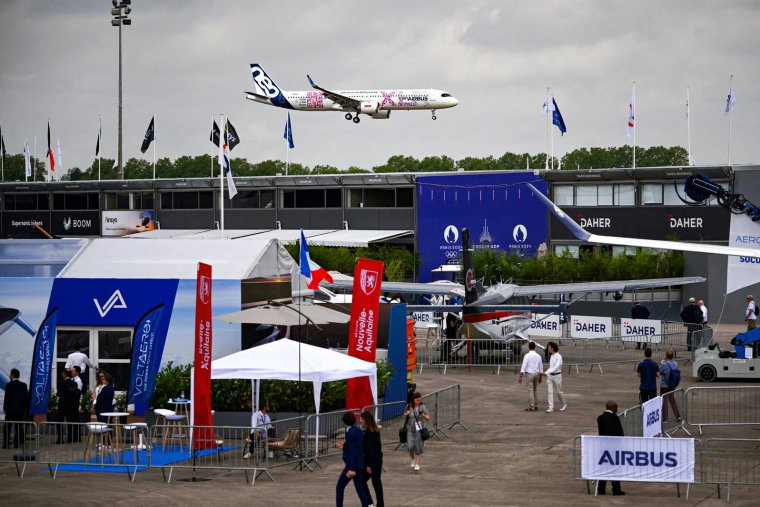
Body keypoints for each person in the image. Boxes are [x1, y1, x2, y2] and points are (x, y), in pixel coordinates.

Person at [335, 411, 368, 507]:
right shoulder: (358, 431)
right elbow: (358, 447)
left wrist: (352, 469)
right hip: (360, 463)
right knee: (360, 489)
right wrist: (345, 446)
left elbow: (353, 452)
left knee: (340, 487)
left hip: (352, 465)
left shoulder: (349, 433)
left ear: (344, 422)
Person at [597, 401, 625, 496]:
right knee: (614, 468)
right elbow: (620, 433)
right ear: (613, 407)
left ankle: (601, 489)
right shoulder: (614, 418)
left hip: (603, 447)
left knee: (603, 469)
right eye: (616, 407)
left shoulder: (600, 418)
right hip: (614, 447)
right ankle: (616, 489)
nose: (617, 410)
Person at [360, 410, 384, 507]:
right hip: (378, 460)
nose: (361, 421)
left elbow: (369, 450)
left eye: (362, 419)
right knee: (377, 482)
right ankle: (380, 503)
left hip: (372, 461)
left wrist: (368, 465)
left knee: (362, 481)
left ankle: (370, 502)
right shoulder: (376, 431)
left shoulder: (368, 433)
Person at [3, 368, 28, 449]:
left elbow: (7, 398)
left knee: (7, 427)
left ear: (13, 375)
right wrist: (25, 408)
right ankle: (16, 444)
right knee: (18, 427)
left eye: (10, 375)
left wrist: (5, 408)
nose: (9, 376)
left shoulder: (8, 385)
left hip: (10, 410)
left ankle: (6, 444)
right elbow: (25, 398)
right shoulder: (23, 385)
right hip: (20, 410)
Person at [404, 391, 430, 471]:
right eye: (417, 400)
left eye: (420, 400)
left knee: (418, 446)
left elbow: (428, 418)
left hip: (419, 428)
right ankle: (412, 458)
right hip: (410, 428)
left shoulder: (423, 407)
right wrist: (406, 414)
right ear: (413, 400)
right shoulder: (409, 407)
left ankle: (417, 464)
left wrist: (423, 415)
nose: (418, 402)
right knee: (410, 446)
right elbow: (405, 415)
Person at [541, 342, 567, 413]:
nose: (548, 349)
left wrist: (546, 372)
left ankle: (563, 404)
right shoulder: (552, 356)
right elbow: (551, 367)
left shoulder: (559, 357)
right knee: (550, 392)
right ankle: (551, 407)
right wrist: (547, 372)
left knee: (559, 392)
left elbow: (556, 367)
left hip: (557, 376)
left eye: (549, 347)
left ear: (552, 348)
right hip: (550, 376)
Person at [518, 341, 543, 411]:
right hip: (536, 373)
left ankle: (532, 406)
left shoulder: (527, 356)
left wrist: (520, 376)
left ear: (529, 347)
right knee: (535, 389)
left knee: (530, 390)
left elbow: (523, 367)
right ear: (535, 347)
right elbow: (541, 367)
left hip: (530, 374)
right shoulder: (538, 356)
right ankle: (536, 404)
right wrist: (540, 377)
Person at [58, 369, 81, 443]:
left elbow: (58, 393)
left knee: (60, 421)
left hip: (63, 405)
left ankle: (60, 439)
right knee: (70, 422)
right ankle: (70, 438)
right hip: (72, 405)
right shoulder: (74, 383)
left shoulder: (62, 383)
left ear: (65, 374)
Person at [659, 351, 682, 423]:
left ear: (666, 356)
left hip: (665, 385)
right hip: (672, 384)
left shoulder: (664, 364)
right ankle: (677, 415)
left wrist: (662, 362)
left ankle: (665, 418)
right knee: (672, 400)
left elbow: (659, 372)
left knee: (664, 402)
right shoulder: (675, 364)